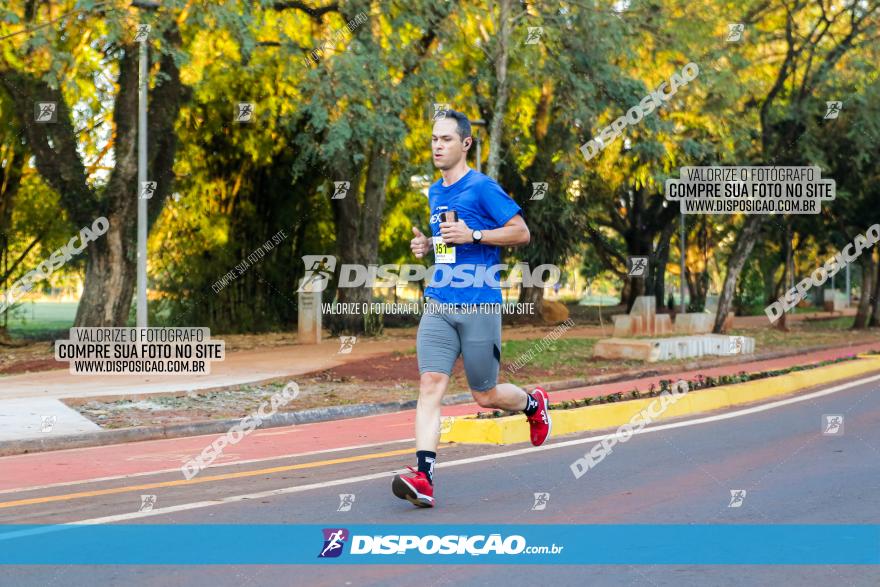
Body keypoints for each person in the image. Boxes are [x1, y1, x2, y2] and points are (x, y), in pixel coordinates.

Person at [391, 109, 552, 508]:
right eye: (433, 139)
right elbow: (448, 246)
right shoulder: (434, 192)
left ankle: (533, 404)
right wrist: (427, 247)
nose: (437, 146)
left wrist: (475, 232)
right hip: (439, 303)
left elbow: (521, 231)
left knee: (485, 394)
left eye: (446, 139)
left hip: (479, 304)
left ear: (466, 144)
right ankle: (424, 476)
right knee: (431, 384)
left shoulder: (483, 188)